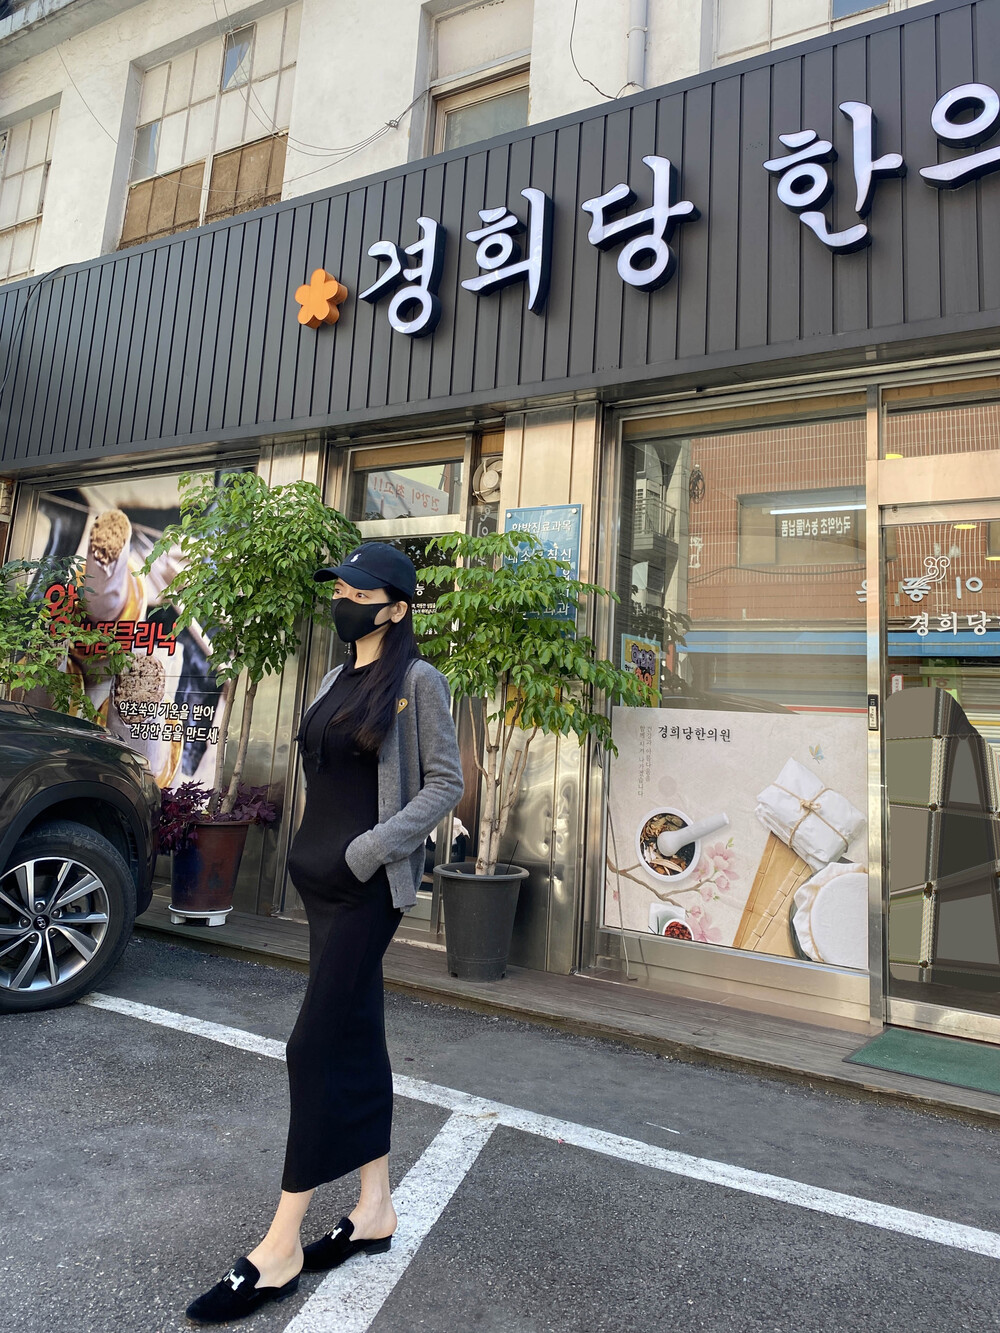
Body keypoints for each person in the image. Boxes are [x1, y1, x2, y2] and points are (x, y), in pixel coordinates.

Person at [186, 542, 464, 1325]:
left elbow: (445, 783)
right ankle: (375, 1207)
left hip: (366, 890)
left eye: (357, 590)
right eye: (339, 586)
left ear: (396, 607)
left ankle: (280, 1247)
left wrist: (368, 850)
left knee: (310, 1046)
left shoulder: (419, 682)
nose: (342, 598)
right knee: (358, 1035)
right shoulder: (335, 677)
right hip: (320, 886)